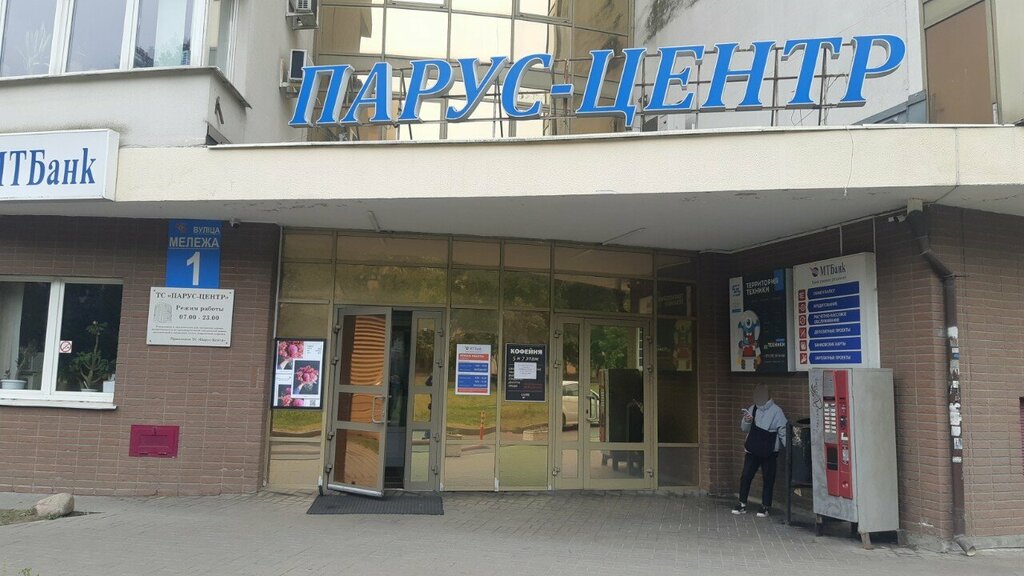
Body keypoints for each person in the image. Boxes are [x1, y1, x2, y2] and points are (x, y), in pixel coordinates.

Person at [732, 384, 787, 518]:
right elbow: (745, 429)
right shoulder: (752, 408)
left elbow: (783, 430)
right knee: (746, 476)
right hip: (753, 448)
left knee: (768, 478)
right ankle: (742, 503)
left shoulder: (777, 411)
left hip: (769, 450)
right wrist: (746, 420)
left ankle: (765, 506)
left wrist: (789, 448)